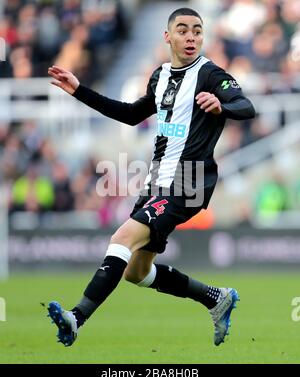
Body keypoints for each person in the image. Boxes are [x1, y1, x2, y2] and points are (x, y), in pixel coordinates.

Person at [47, 7, 255, 347]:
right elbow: (131, 115)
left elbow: (246, 106)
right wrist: (79, 91)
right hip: (157, 180)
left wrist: (222, 105)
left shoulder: (210, 74)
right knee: (136, 271)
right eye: (184, 30)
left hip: (189, 179)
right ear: (168, 36)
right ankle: (216, 298)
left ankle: (76, 318)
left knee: (122, 238)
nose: (191, 37)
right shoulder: (159, 76)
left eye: (198, 31)